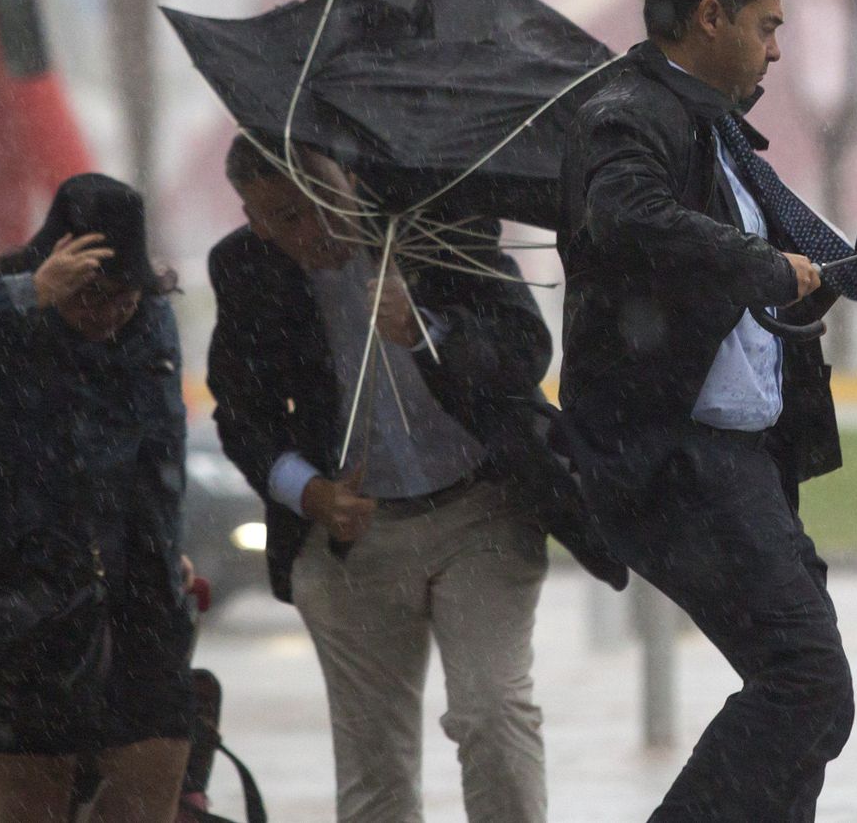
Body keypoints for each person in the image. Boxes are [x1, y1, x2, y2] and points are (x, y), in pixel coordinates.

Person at [557, 0, 853, 822]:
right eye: (768, 25)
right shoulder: (628, 115)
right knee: (806, 683)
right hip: (677, 460)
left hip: (738, 461)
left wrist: (795, 294)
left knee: (806, 697)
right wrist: (761, 265)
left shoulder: (711, 127)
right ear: (711, 18)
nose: (776, 47)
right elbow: (631, 218)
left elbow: (709, 286)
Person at [208, 138, 581, 823]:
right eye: (285, 218)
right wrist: (308, 491)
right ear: (255, 221)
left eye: (323, 200)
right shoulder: (244, 267)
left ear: (350, 175)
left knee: (492, 716)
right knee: (374, 766)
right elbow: (241, 411)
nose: (312, 229)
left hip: (481, 511)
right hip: (351, 538)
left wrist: (426, 330)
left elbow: (524, 349)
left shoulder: (438, 224)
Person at [0, 173, 193, 823]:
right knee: (32, 802)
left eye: (121, 295)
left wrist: (169, 548)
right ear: (53, 266)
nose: (106, 311)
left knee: (150, 797)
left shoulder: (151, 326)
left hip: (138, 594)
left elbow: (163, 453)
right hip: (17, 597)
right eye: (87, 294)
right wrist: (29, 294)